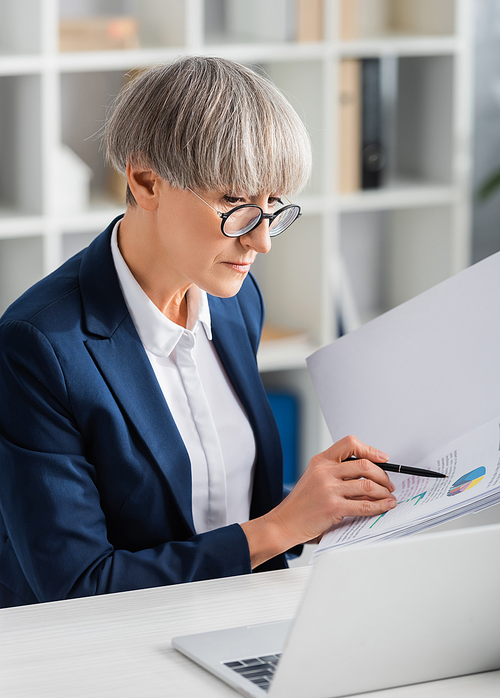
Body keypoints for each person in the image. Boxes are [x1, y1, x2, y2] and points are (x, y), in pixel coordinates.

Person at [0, 57, 396, 608]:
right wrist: (283, 527)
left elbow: (209, 504)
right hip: (102, 653)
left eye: (273, 205)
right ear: (146, 181)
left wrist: (325, 503)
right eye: (236, 203)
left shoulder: (234, 301)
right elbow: (78, 586)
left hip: (237, 615)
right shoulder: (37, 347)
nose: (261, 243)